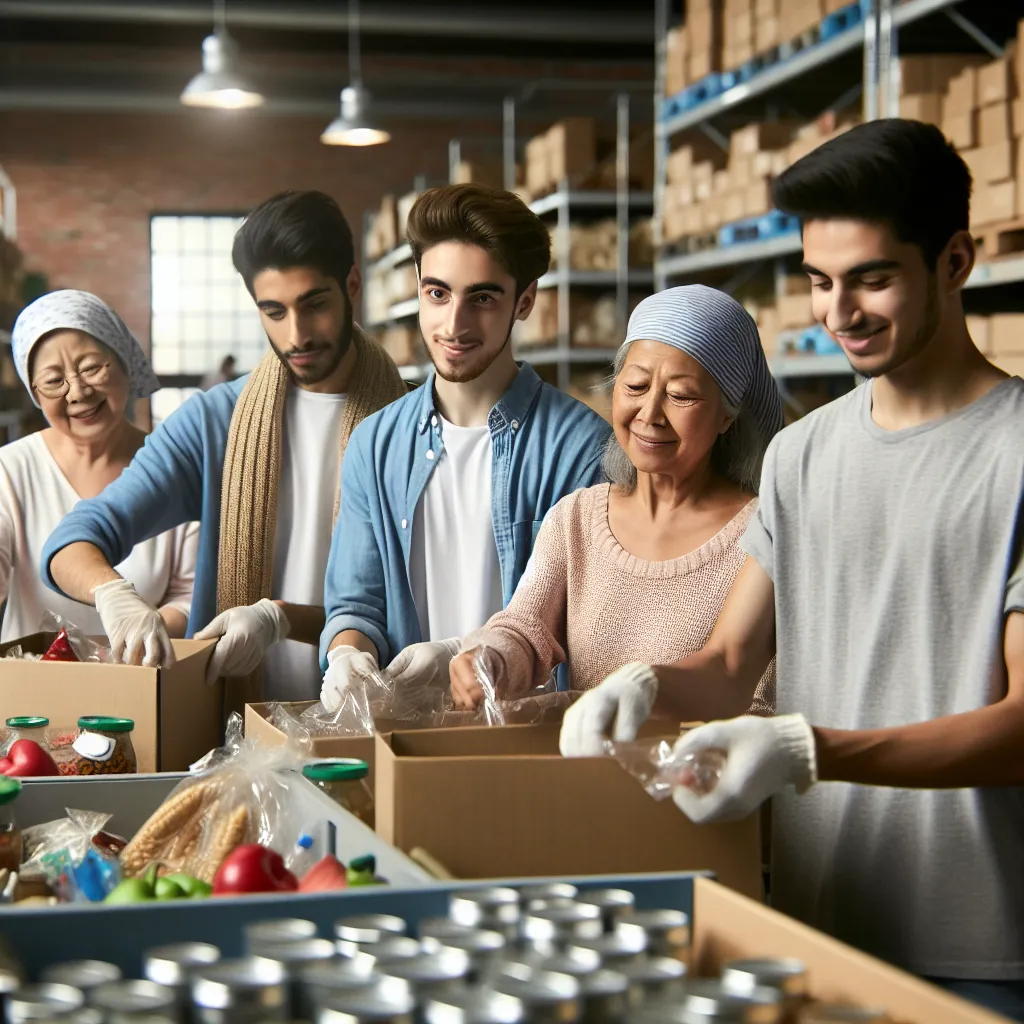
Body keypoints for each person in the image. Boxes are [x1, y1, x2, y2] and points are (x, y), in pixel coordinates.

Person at [561, 120, 1024, 1018]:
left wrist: (812, 751)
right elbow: (733, 663)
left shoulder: (1016, 451)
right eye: (819, 281)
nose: (839, 311)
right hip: (813, 924)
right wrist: (641, 681)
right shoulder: (800, 457)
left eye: (873, 278)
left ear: (956, 261)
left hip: (983, 949)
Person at [43, 191, 408, 705]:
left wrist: (278, 619)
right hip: (229, 722)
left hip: (373, 713)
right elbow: (74, 539)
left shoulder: (412, 426)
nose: (296, 334)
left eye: (315, 304)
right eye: (274, 311)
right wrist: (113, 594)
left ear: (352, 285)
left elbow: (408, 611)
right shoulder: (215, 423)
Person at [319, 183, 612, 709]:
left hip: (527, 740)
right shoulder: (374, 444)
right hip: (409, 735)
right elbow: (357, 605)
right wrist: (347, 654)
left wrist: (468, 652)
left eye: (482, 298)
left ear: (524, 301)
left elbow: (587, 627)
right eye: (437, 293)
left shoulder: (582, 449)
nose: (453, 324)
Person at [447, 285, 780, 716]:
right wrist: (489, 658)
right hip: (589, 776)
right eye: (636, 386)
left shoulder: (763, 534)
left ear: (727, 415)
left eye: (681, 396)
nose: (650, 414)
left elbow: (753, 695)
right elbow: (525, 628)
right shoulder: (578, 518)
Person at [1, 290, 198, 643]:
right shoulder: (11, 469)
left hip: (141, 678)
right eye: (53, 381)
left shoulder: (176, 466)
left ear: (124, 361)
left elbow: (189, 594)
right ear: (35, 393)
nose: (77, 392)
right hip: (32, 683)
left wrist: (138, 636)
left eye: (91, 367)